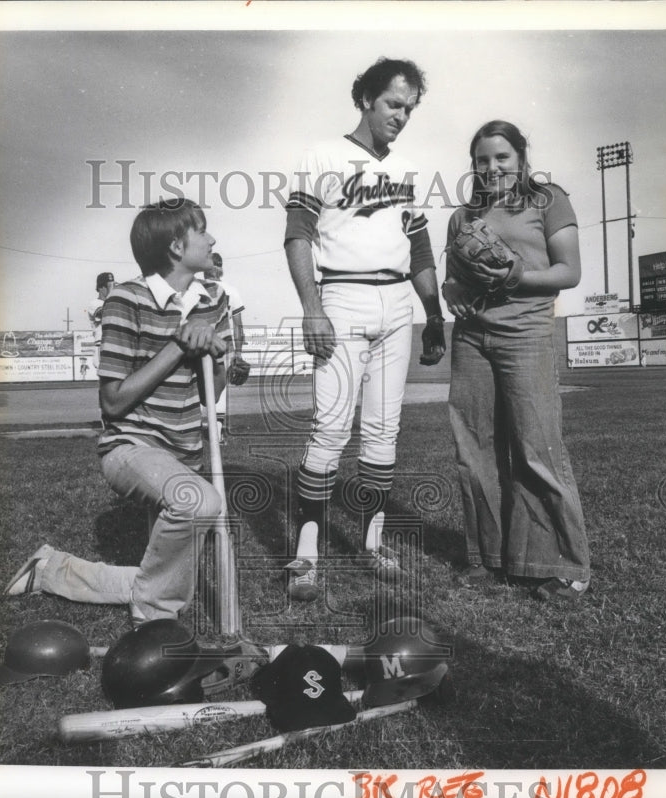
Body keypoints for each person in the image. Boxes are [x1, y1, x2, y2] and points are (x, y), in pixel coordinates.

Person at [4, 199, 232, 626]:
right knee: (198, 504)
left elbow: (209, 394)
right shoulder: (126, 299)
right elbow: (112, 401)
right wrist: (179, 345)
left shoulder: (212, 301)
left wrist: (215, 355)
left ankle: (50, 570)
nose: (213, 239)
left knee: (171, 579)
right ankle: (154, 626)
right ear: (177, 247)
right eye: (202, 231)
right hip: (131, 447)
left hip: (182, 453)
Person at [282, 57, 446, 602]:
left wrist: (434, 313)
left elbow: (419, 247)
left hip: (398, 299)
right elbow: (298, 234)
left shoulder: (407, 170)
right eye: (394, 104)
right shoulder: (324, 155)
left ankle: (374, 541)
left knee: (382, 429)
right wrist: (311, 306)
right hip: (343, 295)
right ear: (366, 99)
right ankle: (306, 553)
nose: (402, 115)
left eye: (410, 108)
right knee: (330, 428)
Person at [442, 120, 590, 601]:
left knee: (537, 447)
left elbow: (568, 273)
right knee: (475, 449)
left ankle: (564, 565)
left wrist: (514, 274)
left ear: (521, 158)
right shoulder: (463, 216)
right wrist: (454, 292)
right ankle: (491, 558)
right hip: (472, 337)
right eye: (483, 160)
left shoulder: (547, 200)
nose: (492, 167)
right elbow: (452, 281)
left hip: (526, 333)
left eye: (502, 157)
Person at [200, 252, 250, 435]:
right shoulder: (232, 290)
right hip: (224, 343)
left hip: (200, 342)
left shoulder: (196, 287)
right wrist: (238, 353)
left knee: (195, 385)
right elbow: (238, 326)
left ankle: (196, 429)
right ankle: (217, 431)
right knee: (219, 387)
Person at [86, 272, 115, 367]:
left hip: (114, 343)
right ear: (100, 288)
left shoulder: (114, 302)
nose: (112, 288)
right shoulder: (94, 303)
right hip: (102, 344)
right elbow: (107, 313)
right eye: (109, 286)